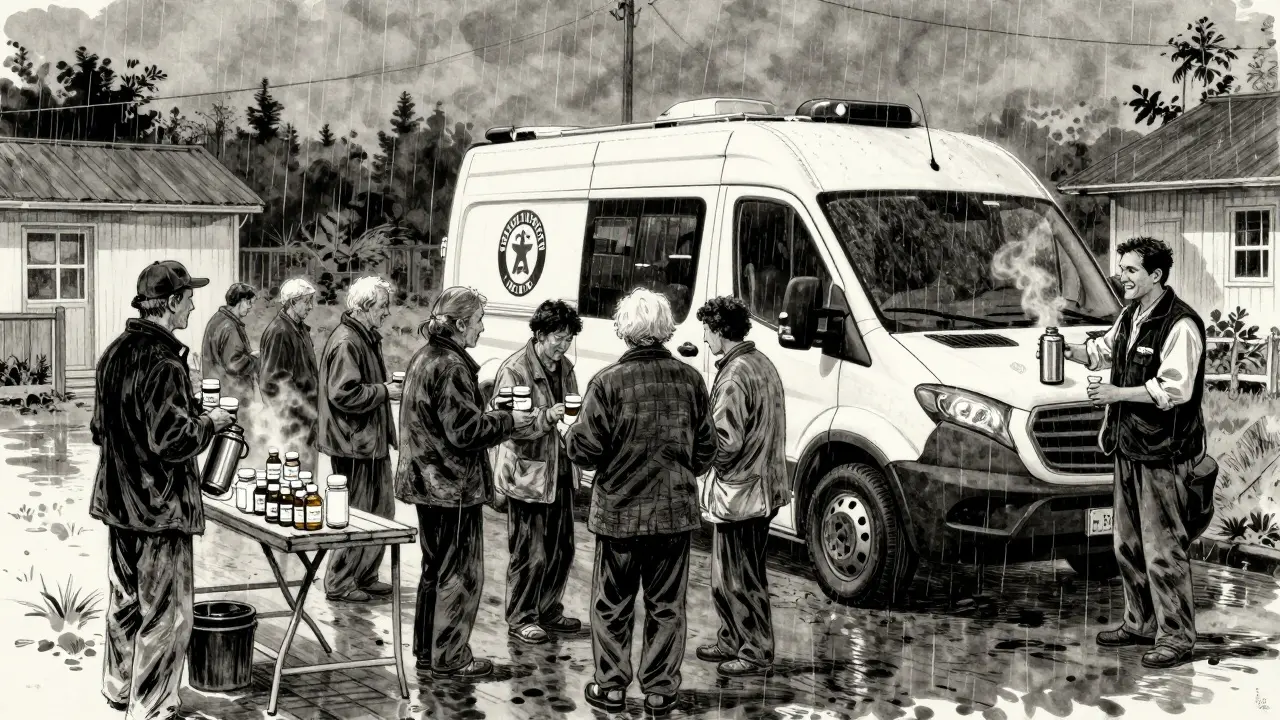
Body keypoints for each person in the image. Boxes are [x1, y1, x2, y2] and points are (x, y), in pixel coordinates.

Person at [90, 260, 233, 719]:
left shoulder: (112, 353)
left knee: (125, 602)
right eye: (188, 296)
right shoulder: (165, 362)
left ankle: (117, 692)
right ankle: (153, 707)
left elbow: (99, 429)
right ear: (170, 303)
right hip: (159, 507)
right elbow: (173, 441)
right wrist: (210, 422)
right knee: (168, 615)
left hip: (118, 503)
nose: (192, 303)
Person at [565, 288, 717, 717]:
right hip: (673, 514)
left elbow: (586, 450)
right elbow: (707, 449)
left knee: (612, 605)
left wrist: (567, 433)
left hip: (619, 516)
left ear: (625, 329)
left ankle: (611, 687)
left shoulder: (607, 383)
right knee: (666, 606)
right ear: (666, 329)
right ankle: (660, 691)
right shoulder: (691, 381)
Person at [1063, 235, 1207, 670]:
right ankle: (1139, 622)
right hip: (1129, 447)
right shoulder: (1130, 317)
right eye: (1120, 268)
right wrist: (1065, 350)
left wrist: (1115, 392)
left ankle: (1177, 637)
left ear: (1156, 275)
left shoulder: (1180, 324)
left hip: (1164, 453)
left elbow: (1174, 390)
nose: (1120, 276)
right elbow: (1100, 350)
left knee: (1163, 548)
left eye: (1129, 270)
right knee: (1126, 544)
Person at [394, 286, 533, 678]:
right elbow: (465, 432)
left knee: (434, 570)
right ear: (458, 325)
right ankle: (451, 658)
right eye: (477, 322)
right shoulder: (452, 365)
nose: (482, 329)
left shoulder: (427, 356)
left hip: (428, 484)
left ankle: (427, 653)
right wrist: (509, 422)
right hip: (450, 487)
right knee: (460, 575)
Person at [694, 295, 789, 677]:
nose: (703, 339)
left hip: (743, 491)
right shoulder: (760, 363)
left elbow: (726, 441)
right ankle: (731, 639)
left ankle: (754, 651)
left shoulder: (734, 374)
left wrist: (698, 454)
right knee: (730, 574)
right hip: (761, 487)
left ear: (720, 331)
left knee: (738, 576)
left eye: (706, 330)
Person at [491, 299, 583, 645]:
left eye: (568, 338)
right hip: (527, 476)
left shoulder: (567, 368)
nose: (563, 345)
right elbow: (505, 425)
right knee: (530, 552)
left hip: (560, 471)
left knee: (563, 548)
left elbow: (573, 411)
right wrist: (546, 417)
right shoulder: (514, 369)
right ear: (540, 334)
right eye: (558, 337)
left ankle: (548, 609)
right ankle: (521, 616)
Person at [320, 276, 401, 603]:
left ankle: (364, 575)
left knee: (381, 512)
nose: (387, 313)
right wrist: (384, 391)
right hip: (354, 445)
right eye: (382, 307)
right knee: (354, 514)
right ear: (365, 307)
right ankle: (340, 582)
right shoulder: (347, 341)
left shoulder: (362, 336)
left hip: (368, 442)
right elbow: (342, 393)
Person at [259, 278, 321, 470]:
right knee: (295, 480)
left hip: (305, 421)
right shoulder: (280, 331)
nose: (311, 307)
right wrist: (305, 411)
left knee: (307, 478)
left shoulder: (298, 328)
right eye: (307, 301)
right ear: (292, 302)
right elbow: (273, 383)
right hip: (291, 425)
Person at [201, 282, 259, 405]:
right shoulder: (230, 326)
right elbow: (234, 364)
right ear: (240, 301)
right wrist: (255, 359)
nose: (250, 307)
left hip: (219, 393)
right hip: (232, 397)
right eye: (249, 303)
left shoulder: (217, 319)